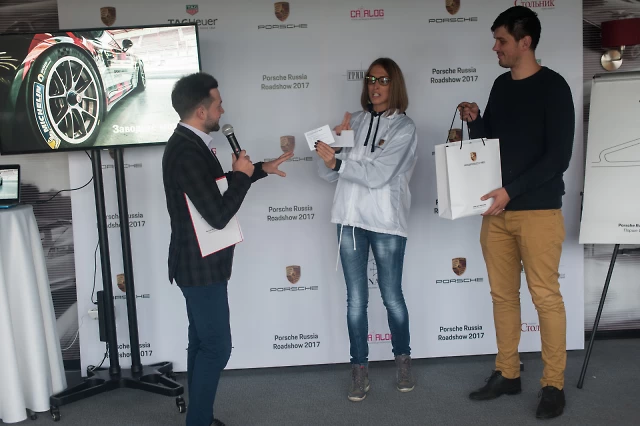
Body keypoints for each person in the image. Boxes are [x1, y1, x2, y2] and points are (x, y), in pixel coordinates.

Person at [458, 6, 575, 420]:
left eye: (502, 40)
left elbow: (558, 158)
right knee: (503, 296)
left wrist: (510, 192)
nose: (495, 47)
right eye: (495, 40)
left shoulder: (554, 87)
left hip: (538, 212)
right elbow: (491, 144)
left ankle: (553, 384)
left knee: (545, 298)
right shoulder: (500, 85)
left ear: (525, 42)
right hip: (496, 213)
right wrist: (476, 123)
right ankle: (508, 372)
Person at [162, 72, 292, 426]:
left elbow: (215, 188)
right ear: (201, 111)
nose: (223, 110)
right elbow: (218, 215)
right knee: (217, 348)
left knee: (202, 344)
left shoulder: (190, 143)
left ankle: (199, 418)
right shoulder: (186, 151)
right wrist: (243, 177)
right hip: (200, 267)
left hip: (201, 264)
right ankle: (199, 421)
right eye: (218, 104)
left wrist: (258, 170)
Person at [315, 57, 418, 402]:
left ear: (395, 84)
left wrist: (339, 162)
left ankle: (403, 362)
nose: (375, 86)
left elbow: (379, 176)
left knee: (392, 297)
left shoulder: (404, 128)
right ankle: (359, 370)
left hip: (386, 222)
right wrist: (330, 150)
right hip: (349, 220)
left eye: (383, 80)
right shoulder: (355, 122)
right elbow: (328, 174)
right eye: (371, 79)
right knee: (356, 301)